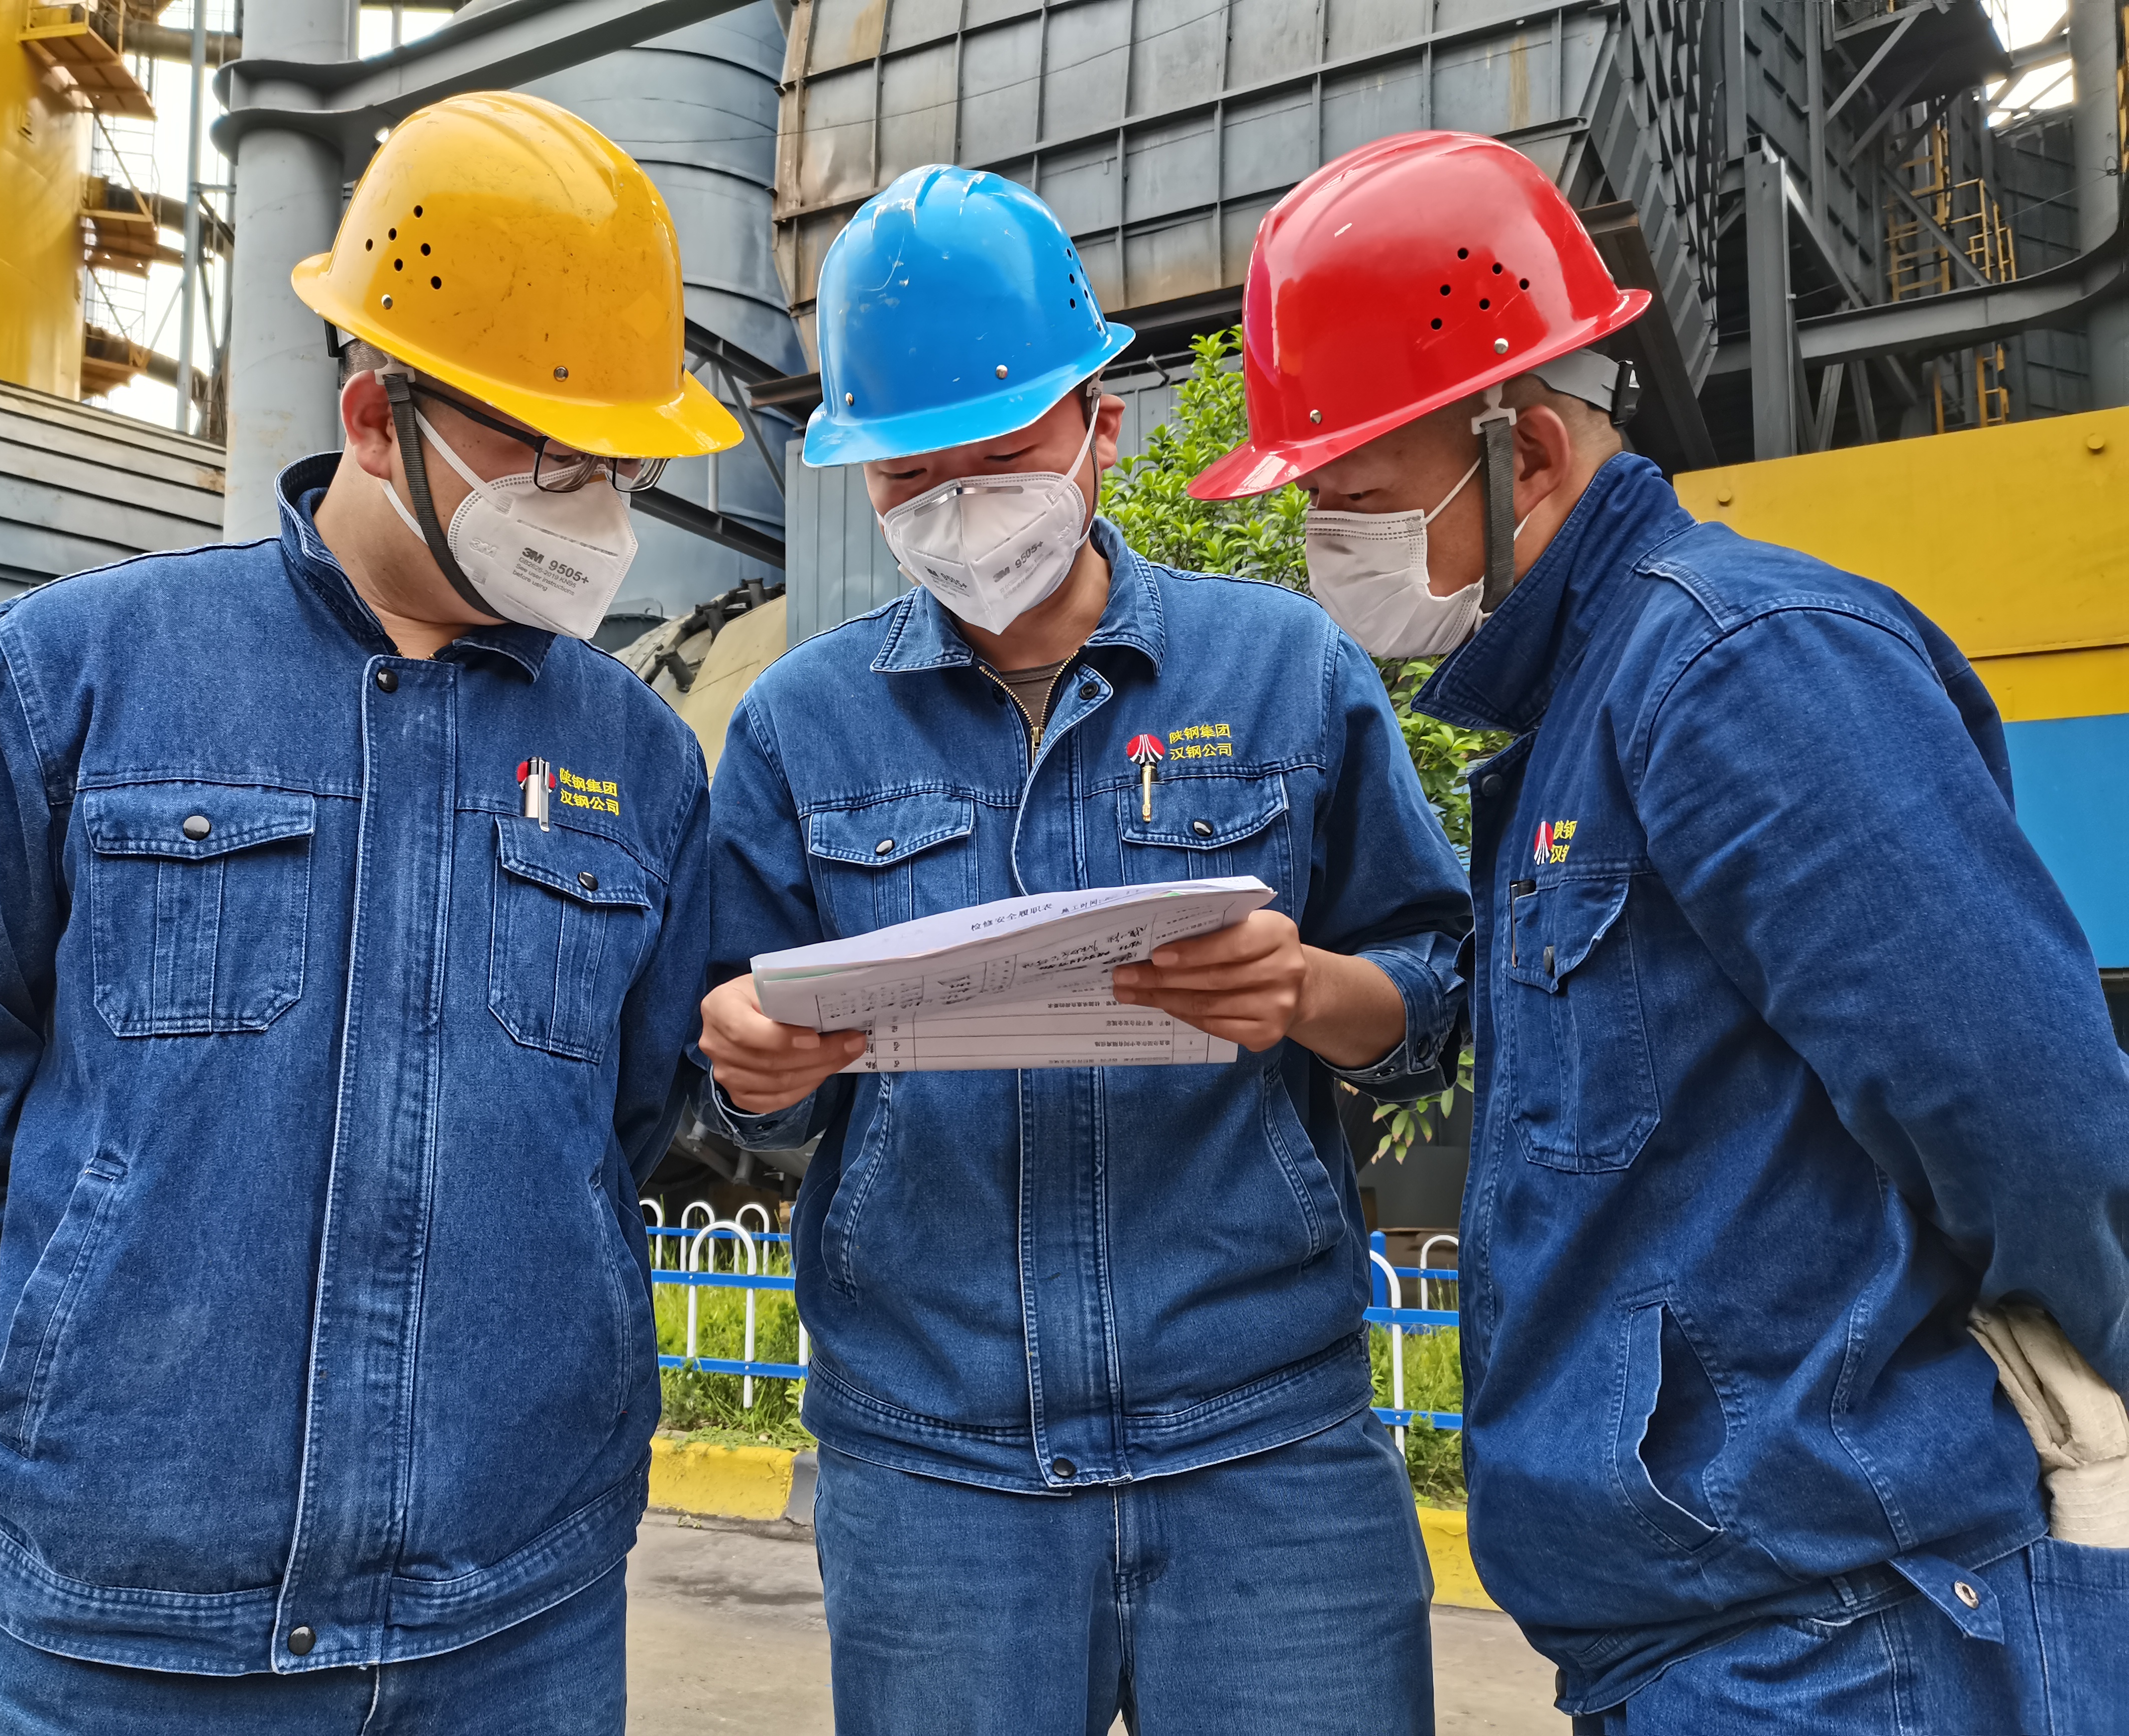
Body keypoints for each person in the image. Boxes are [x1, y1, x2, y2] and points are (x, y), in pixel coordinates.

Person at [1190, 129, 2129, 1733]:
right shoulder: (1581, 717)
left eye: (1350, 503)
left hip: (1841, 1635)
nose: (1322, 552)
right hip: (1721, 1640)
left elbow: (2019, 1102)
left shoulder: (1739, 669)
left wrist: (2066, 1370)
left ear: (1531, 453)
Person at [0, 93, 733, 1731]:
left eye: (621, 466)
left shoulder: (635, 756)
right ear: (378, 418)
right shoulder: (73, 679)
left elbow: (628, 1109)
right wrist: (105, 1272)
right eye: (552, 453)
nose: (598, 510)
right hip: (123, 1616)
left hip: (511, 1618)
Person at [694, 164, 1471, 1734]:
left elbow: (1440, 991)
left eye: (1001, 458)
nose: (961, 509)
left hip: (1266, 1456)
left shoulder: (1283, 671)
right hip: (935, 1470)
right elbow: (725, 1085)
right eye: (912, 478)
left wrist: (1316, 995)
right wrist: (755, 1073)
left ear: (1099, 425)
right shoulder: (796, 725)